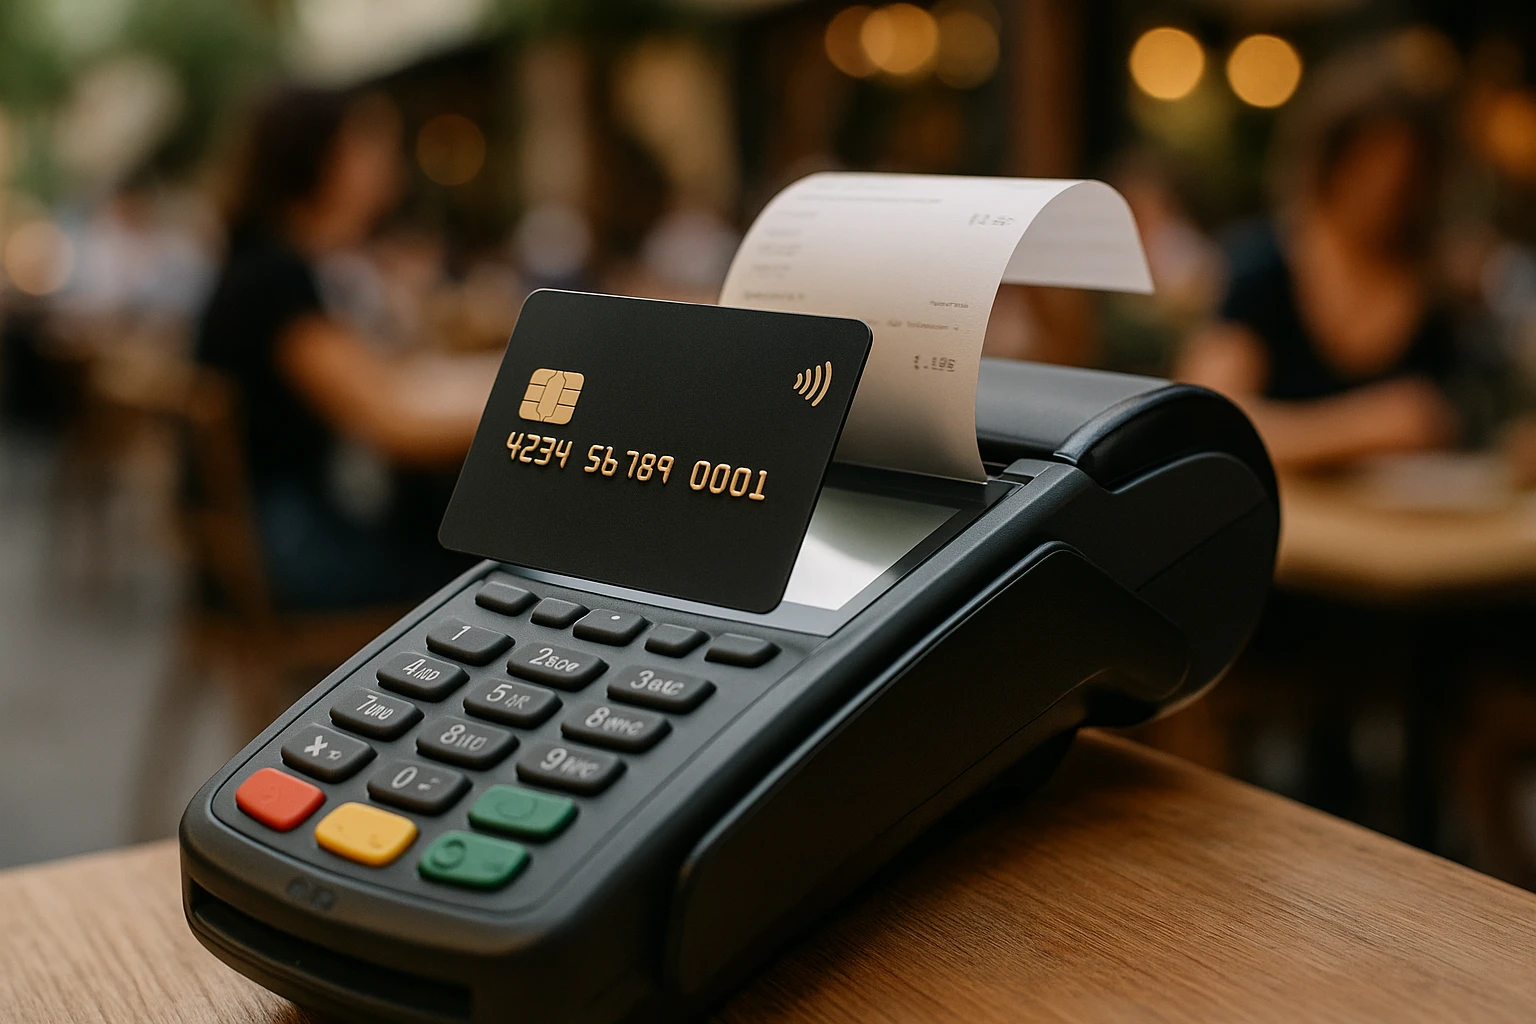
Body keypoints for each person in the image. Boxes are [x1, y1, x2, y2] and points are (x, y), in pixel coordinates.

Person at [196, 88, 491, 608]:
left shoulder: (279, 263)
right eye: (369, 146)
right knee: (494, 563)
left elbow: (386, 380)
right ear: (317, 158)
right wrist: (542, 412)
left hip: (285, 528)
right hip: (292, 548)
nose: (388, 164)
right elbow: (391, 422)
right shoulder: (273, 278)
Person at [1177, 64, 1459, 471]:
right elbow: (1200, 425)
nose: (1385, 187)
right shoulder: (1263, 269)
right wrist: (1361, 427)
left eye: (1405, 173)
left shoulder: (1441, 295)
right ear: (1329, 162)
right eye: (1368, 166)